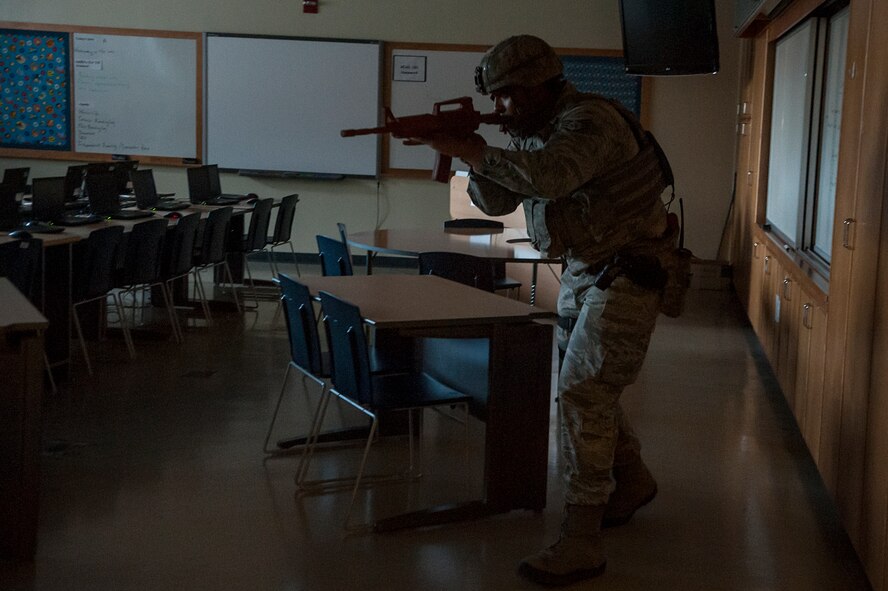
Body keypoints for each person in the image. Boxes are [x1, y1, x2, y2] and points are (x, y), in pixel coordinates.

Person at [413, 35, 676, 587]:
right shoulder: (533, 132)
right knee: (587, 387)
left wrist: (473, 150)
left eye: (509, 96)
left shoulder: (589, 123)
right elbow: (500, 201)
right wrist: (468, 152)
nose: (501, 107)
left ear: (541, 85)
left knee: (584, 391)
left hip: (632, 269)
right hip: (588, 268)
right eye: (497, 98)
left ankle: (581, 540)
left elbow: (551, 178)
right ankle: (631, 480)